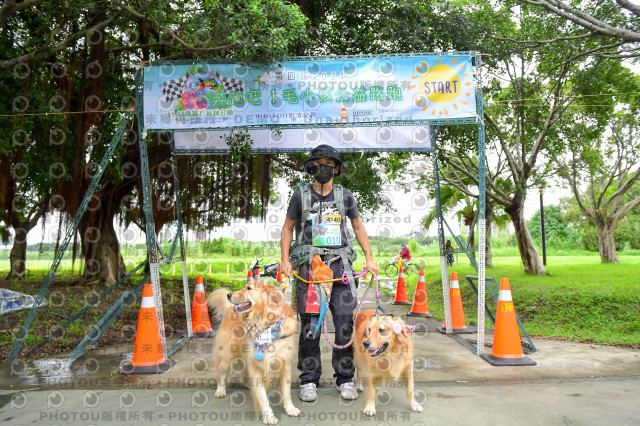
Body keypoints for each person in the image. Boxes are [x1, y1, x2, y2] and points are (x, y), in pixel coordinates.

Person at [280, 144, 379, 403]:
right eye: (318, 163)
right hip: (310, 267)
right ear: (311, 167)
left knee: (345, 323)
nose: (322, 168)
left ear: (335, 168)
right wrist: (284, 260)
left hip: (340, 268)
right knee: (310, 326)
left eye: (328, 163)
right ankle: (309, 379)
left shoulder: (345, 196)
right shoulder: (300, 195)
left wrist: (369, 257)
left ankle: (345, 377)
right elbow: (288, 228)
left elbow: (358, 227)